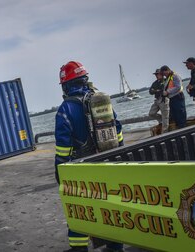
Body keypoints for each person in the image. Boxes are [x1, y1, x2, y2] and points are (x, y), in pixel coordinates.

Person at [55, 61, 124, 252]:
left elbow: (63, 149)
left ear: (66, 85)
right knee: (108, 206)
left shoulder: (65, 109)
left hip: (82, 168)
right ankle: (115, 246)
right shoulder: (100, 100)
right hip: (108, 162)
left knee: (79, 209)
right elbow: (117, 129)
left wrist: (59, 172)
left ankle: (79, 248)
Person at [148, 69, 170, 133]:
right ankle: (161, 120)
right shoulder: (155, 83)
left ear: (162, 74)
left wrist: (156, 90)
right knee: (151, 113)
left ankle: (165, 133)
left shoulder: (165, 81)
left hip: (164, 99)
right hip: (157, 100)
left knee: (165, 117)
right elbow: (150, 91)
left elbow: (162, 90)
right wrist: (156, 90)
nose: (156, 75)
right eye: (156, 74)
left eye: (158, 74)